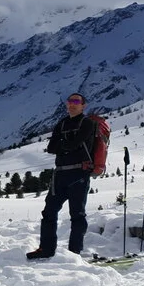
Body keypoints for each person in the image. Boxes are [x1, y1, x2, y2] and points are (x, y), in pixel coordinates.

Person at [28, 93, 97, 259]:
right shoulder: (62, 123)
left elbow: (74, 144)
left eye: (76, 101)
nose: (72, 104)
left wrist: (64, 145)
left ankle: (74, 253)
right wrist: (67, 146)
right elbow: (52, 147)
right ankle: (46, 249)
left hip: (79, 174)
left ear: (83, 105)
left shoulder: (88, 123)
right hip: (60, 174)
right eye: (70, 101)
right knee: (49, 212)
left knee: (77, 214)